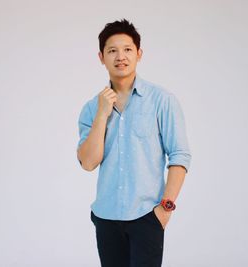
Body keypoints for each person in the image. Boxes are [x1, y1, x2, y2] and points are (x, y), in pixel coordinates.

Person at [76, 19, 192, 267]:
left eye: (127, 49)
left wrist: (165, 209)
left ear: (139, 54)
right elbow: (88, 162)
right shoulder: (91, 108)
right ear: (101, 57)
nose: (120, 56)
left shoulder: (161, 101)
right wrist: (102, 114)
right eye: (112, 50)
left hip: (147, 216)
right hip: (106, 217)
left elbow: (180, 155)